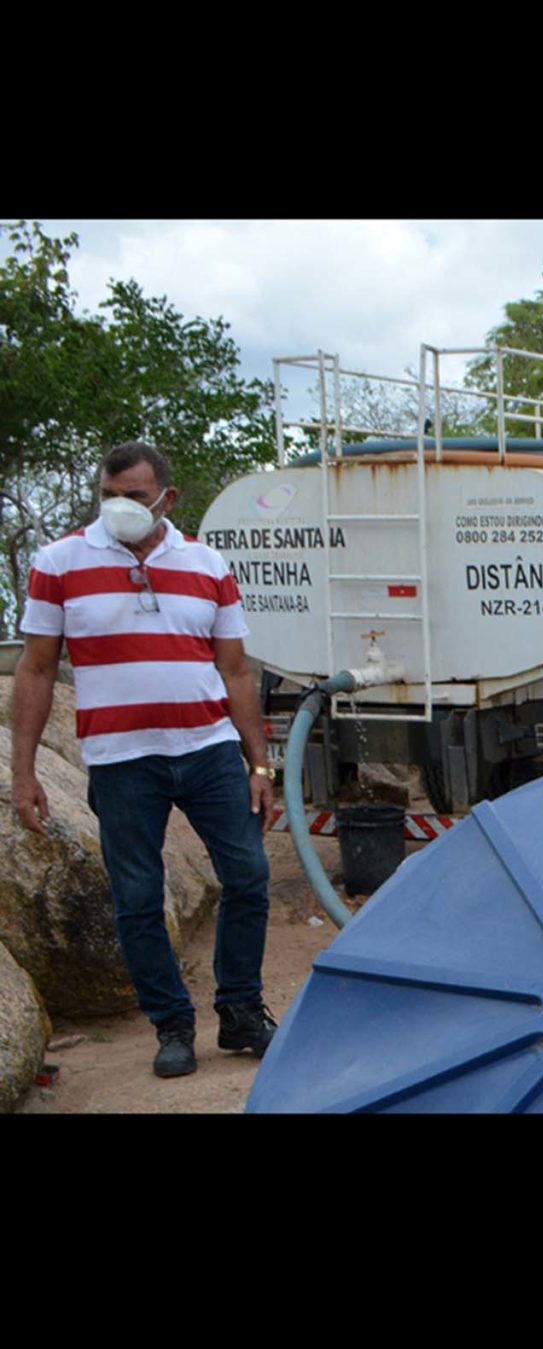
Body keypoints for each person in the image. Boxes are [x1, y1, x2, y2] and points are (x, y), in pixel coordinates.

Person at [9, 442, 279, 1079]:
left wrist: (259, 765)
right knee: (136, 899)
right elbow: (38, 667)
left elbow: (236, 671)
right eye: (109, 496)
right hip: (121, 759)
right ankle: (173, 1025)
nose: (119, 508)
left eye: (133, 496)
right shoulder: (59, 563)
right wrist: (23, 772)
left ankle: (240, 1011)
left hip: (209, 750)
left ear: (167, 498)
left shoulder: (208, 564)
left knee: (248, 877)